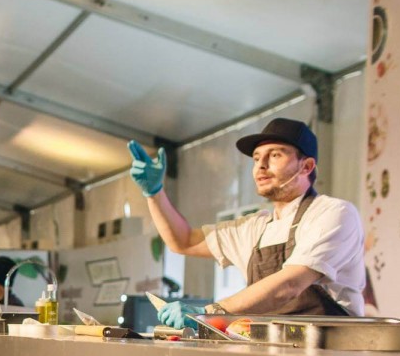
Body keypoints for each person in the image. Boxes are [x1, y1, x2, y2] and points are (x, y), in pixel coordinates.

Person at [129, 118, 366, 325]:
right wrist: (155, 193)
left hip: (332, 352)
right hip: (273, 351)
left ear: (306, 166)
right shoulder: (254, 227)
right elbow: (184, 241)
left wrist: (210, 312)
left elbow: (289, 285)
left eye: (275, 155)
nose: (261, 166)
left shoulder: (333, 213)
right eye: (256, 158)